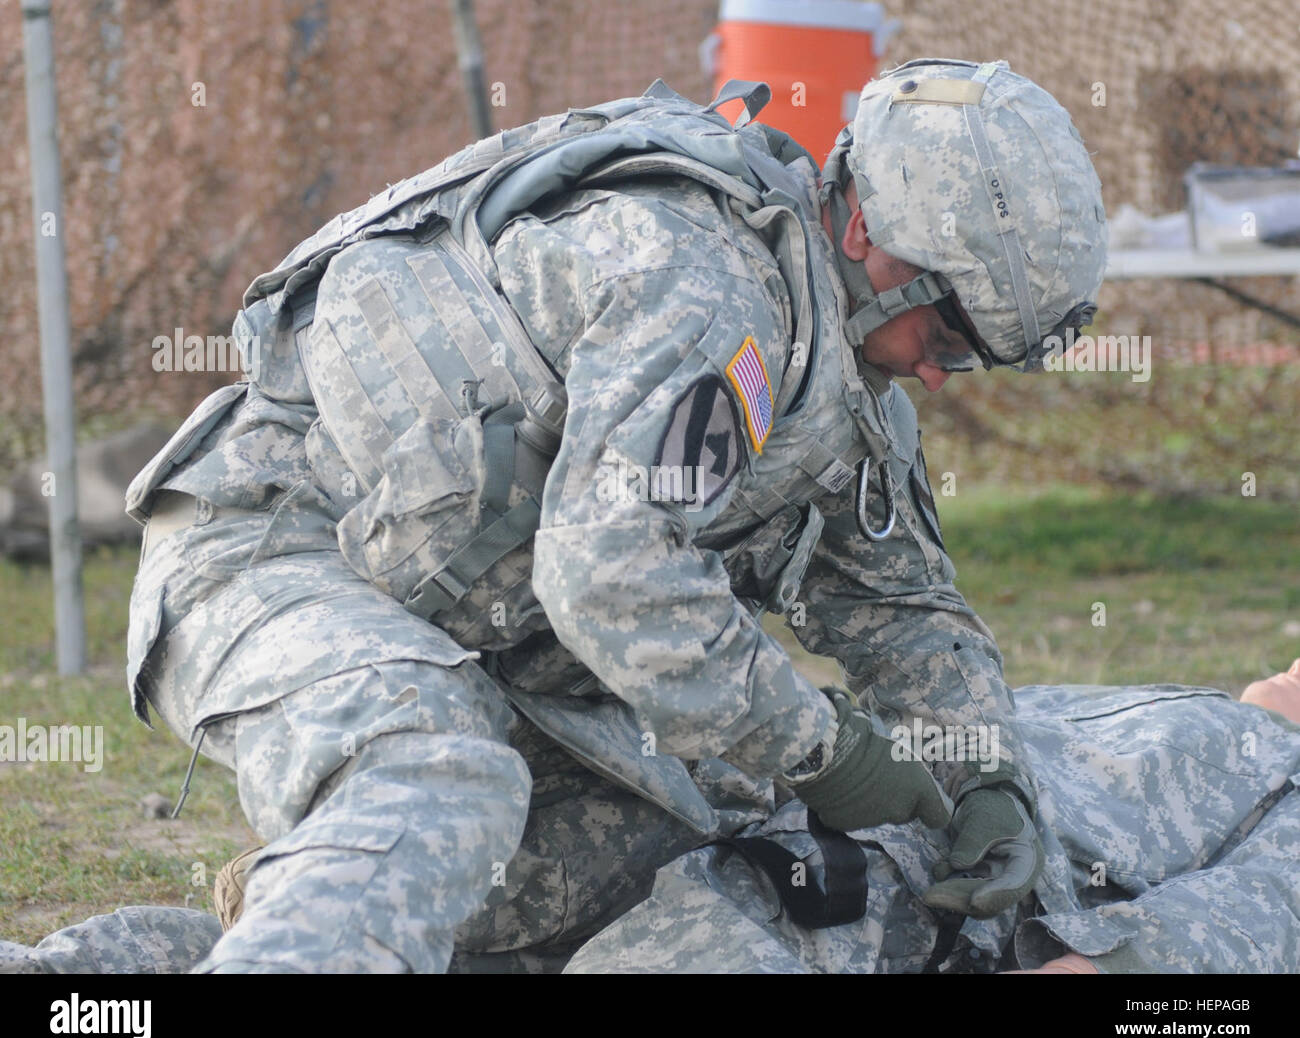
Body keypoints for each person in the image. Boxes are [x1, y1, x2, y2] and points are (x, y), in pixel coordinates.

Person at [107, 59, 1105, 972]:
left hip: (477, 640)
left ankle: (265, 925)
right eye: (949, 332)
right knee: (441, 779)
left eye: (975, 356)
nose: (941, 371)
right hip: (272, 546)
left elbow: (902, 606)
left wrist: (986, 777)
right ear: (868, 234)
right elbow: (613, 575)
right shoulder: (707, 287)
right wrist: (820, 747)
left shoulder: (842, 366)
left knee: (679, 850)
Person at [5, 666, 1296, 974]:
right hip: (671, 818)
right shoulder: (1160, 704)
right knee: (352, 928)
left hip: (803, 911)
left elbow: (1145, 975)